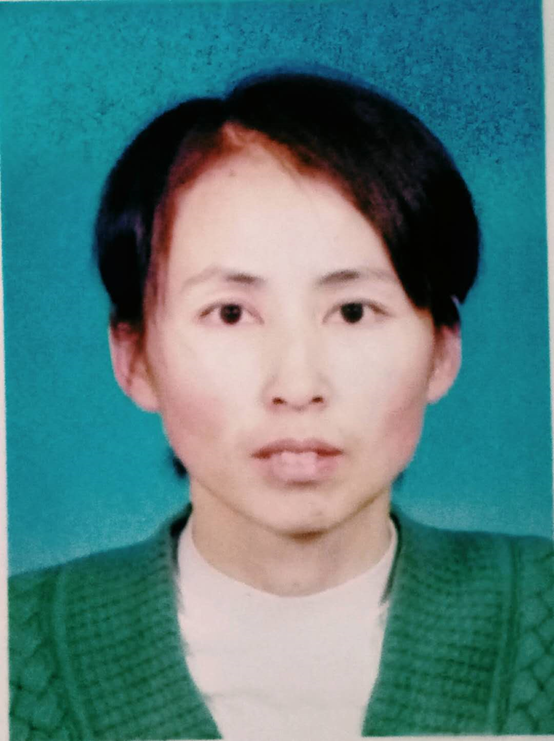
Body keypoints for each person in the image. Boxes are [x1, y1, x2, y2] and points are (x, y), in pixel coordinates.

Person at [9, 71, 554, 739]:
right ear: (134, 357)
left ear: (442, 348)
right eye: (231, 313)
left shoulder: (543, 610)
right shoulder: (17, 648)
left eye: (353, 311)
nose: (297, 385)